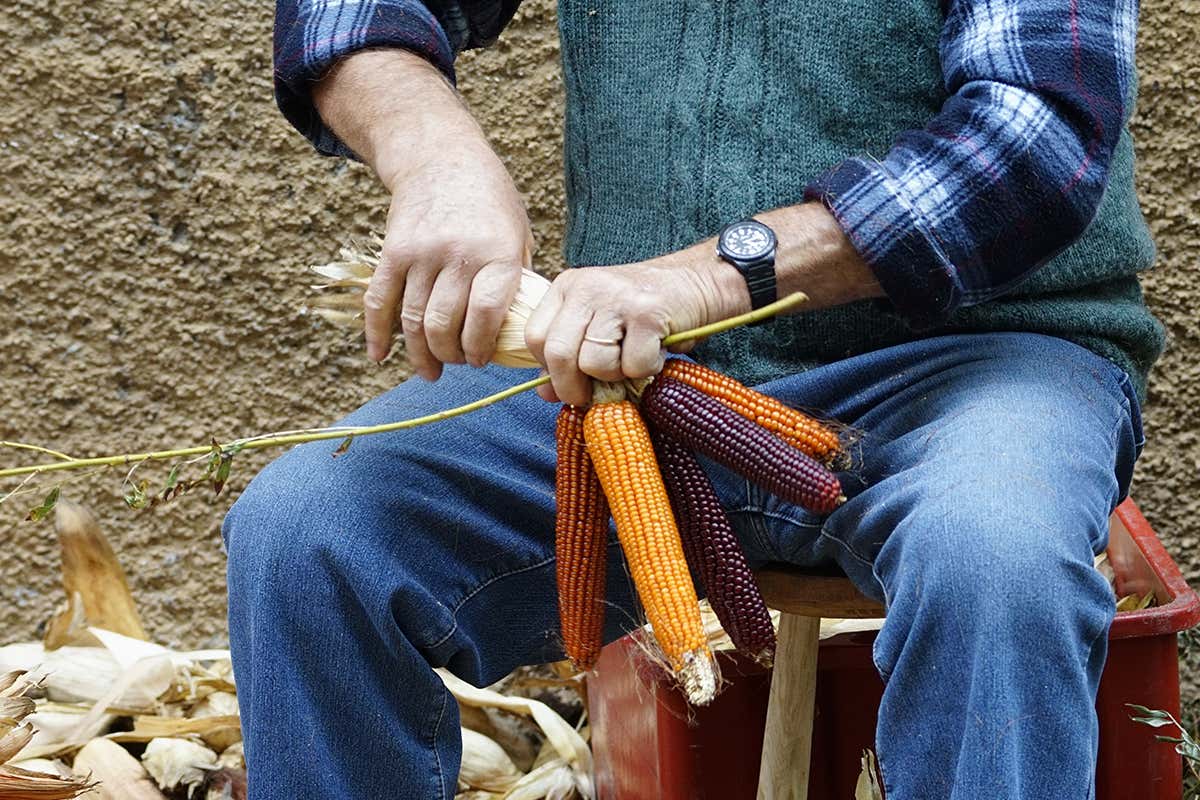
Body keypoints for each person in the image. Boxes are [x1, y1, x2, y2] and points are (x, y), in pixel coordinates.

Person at [226, 0, 1162, 796]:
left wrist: (715, 276)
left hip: (971, 370)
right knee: (308, 531)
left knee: (996, 559)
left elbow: (1033, 135)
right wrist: (434, 160)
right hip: (632, 381)